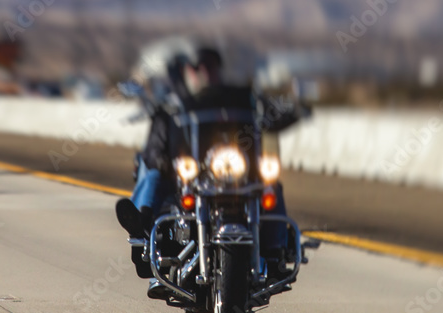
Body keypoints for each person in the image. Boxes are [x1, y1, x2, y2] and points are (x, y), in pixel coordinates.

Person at [115, 47, 305, 289]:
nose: (205, 72)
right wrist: (164, 161)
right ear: (188, 72)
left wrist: (292, 110)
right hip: (188, 174)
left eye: (211, 66)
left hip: (230, 172)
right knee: (153, 175)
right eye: (199, 67)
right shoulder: (174, 106)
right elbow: (155, 146)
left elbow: (267, 116)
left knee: (270, 182)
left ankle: (276, 252)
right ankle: (142, 231)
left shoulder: (237, 99)